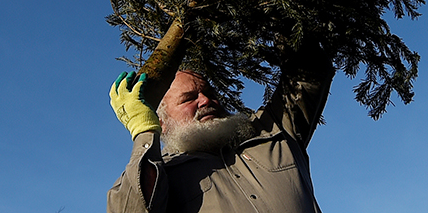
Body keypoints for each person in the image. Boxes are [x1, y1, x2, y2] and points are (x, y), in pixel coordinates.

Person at [107, 51, 334, 213]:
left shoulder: (271, 132)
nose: (206, 100)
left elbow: (308, 72)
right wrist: (143, 130)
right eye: (189, 99)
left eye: (209, 92)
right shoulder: (160, 173)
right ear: (161, 121)